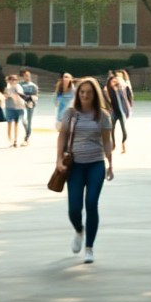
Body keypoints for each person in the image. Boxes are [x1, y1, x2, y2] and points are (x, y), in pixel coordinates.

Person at [57, 77, 115, 263]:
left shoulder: (102, 115)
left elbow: (107, 140)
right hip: (75, 166)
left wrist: (110, 162)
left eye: (89, 93)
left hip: (95, 164)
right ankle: (79, 230)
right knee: (74, 208)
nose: (85, 96)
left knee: (91, 204)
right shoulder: (70, 113)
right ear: (78, 93)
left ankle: (89, 247)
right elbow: (62, 137)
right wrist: (58, 160)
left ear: (95, 94)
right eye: (82, 92)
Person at [104, 73, 130, 152]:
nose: (114, 83)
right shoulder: (107, 90)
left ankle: (123, 143)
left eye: (115, 81)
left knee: (123, 129)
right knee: (111, 129)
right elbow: (107, 102)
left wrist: (119, 90)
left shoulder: (121, 89)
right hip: (113, 112)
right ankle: (113, 144)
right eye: (112, 82)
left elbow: (126, 96)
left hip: (121, 112)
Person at [3, 74, 25, 148]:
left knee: (16, 124)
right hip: (9, 107)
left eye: (14, 79)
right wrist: (7, 95)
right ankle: (11, 140)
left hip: (17, 108)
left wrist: (13, 95)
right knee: (9, 124)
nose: (13, 81)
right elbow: (4, 96)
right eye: (11, 79)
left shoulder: (18, 87)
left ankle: (15, 141)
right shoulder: (7, 88)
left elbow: (20, 95)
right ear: (9, 80)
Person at [19, 69, 39, 146]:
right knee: (23, 119)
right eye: (26, 75)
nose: (27, 77)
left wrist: (32, 101)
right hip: (22, 104)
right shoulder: (20, 85)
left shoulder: (33, 86)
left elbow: (36, 96)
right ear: (23, 76)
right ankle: (27, 131)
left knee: (29, 120)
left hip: (30, 104)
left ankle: (27, 137)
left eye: (28, 75)